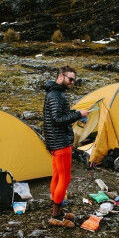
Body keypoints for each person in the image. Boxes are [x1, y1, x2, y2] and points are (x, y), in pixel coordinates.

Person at [43, 65, 89, 228]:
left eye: (74, 80)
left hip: (56, 141)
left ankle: (57, 211)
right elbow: (57, 119)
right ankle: (56, 216)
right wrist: (78, 114)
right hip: (60, 142)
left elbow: (58, 117)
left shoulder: (54, 93)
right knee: (65, 178)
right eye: (70, 79)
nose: (72, 82)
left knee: (56, 175)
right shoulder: (56, 95)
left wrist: (75, 113)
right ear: (61, 76)